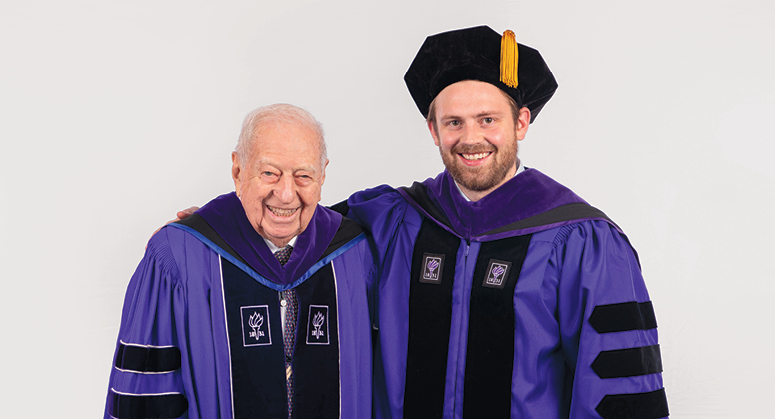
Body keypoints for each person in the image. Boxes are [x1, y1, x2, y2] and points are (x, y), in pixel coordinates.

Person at [334, 26, 669, 418]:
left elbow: (619, 392)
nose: (471, 137)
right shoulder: (392, 222)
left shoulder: (582, 241)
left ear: (521, 122)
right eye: (454, 122)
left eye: (488, 119)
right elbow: (290, 235)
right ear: (433, 130)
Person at [104, 104, 376, 419]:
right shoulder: (180, 258)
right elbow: (145, 398)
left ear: (323, 174)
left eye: (303, 175)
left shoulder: (355, 254)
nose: (286, 194)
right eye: (270, 173)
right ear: (238, 171)